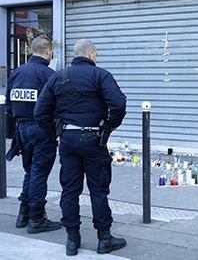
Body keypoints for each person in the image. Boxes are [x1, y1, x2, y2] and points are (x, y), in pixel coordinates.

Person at [34, 39, 127, 256]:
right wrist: (109, 127)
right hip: (94, 139)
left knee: (70, 190)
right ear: (91, 53)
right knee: (98, 190)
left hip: (68, 140)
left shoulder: (58, 77)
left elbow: (40, 112)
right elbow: (119, 104)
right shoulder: (100, 75)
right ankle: (104, 239)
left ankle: (72, 240)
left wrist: (55, 134)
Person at [5, 36, 61, 234]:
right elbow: (57, 105)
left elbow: (9, 106)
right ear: (48, 52)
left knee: (30, 171)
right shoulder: (48, 74)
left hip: (22, 129)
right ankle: (37, 219)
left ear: (30, 50)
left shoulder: (16, 72)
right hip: (42, 130)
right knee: (39, 173)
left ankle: (24, 214)